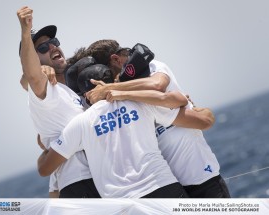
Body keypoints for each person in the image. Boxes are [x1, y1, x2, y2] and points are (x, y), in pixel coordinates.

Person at [37, 63, 216, 198]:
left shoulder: (80, 123)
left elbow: (45, 169)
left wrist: (46, 147)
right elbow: (186, 108)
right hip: (163, 189)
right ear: (111, 82)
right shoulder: (141, 102)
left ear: (85, 94)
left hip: (123, 204)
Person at [83, 39, 231, 198]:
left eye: (105, 70)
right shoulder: (117, 98)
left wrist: (112, 89)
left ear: (116, 59)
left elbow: (158, 85)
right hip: (169, 185)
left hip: (201, 175)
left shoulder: (151, 67)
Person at [17, 6, 100, 198]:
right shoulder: (46, 92)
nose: (52, 47)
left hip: (104, 179)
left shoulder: (79, 83)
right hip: (81, 184)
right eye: (43, 47)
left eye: (53, 42)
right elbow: (31, 76)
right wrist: (24, 31)